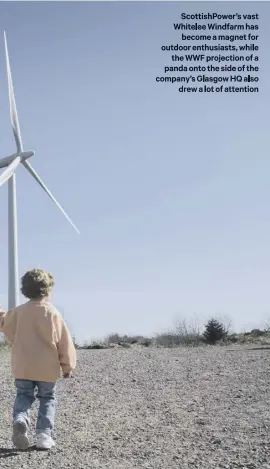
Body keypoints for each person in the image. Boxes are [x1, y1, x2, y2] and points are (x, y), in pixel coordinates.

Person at [0, 268, 76, 451]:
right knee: (48, 398)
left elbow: (4, 323)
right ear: (48, 289)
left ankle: (20, 419)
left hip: (23, 366)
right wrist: (67, 366)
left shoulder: (18, 312)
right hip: (46, 368)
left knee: (23, 395)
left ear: (24, 290)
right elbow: (64, 341)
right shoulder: (53, 313)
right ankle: (43, 435)